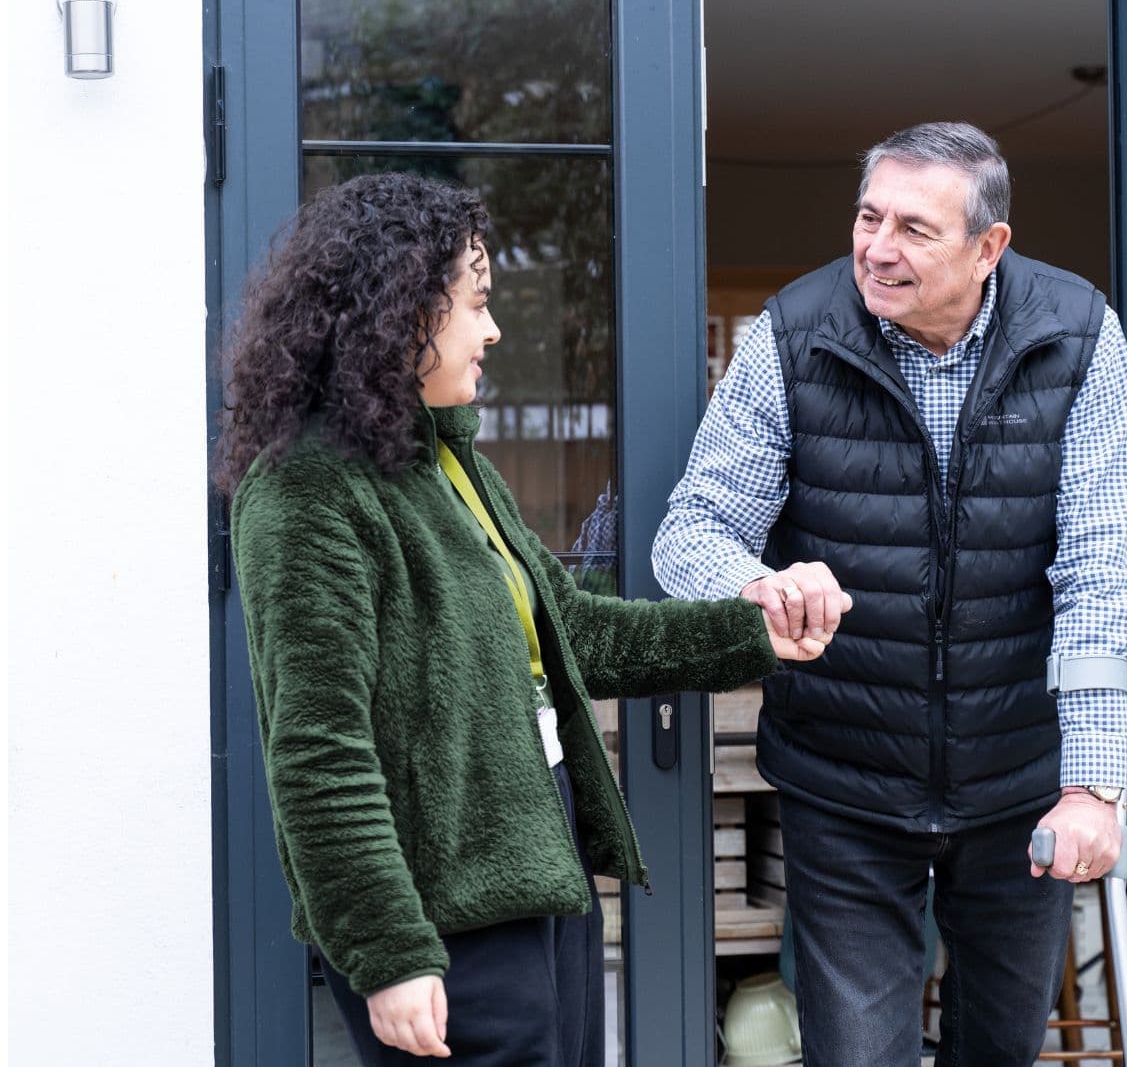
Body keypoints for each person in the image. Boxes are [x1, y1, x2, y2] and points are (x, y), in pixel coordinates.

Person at [213, 171, 821, 1067]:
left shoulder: (446, 461)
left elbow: (574, 633)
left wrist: (751, 632)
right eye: (475, 303)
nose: (492, 329)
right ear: (398, 312)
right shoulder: (305, 487)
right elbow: (319, 751)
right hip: (441, 915)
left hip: (540, 869)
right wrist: (388, 951)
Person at [652, 121, 1127, 1066]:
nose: (878, 248)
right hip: (845, 777)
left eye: (915, 229)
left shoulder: (1079, 335)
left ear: (989, 247)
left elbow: (1096, 568)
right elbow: (691, 531)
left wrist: (1090, 786)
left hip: (1018, 779)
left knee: (999, 1048)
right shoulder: (792, 335)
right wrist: (760, 583)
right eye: (868, 217)